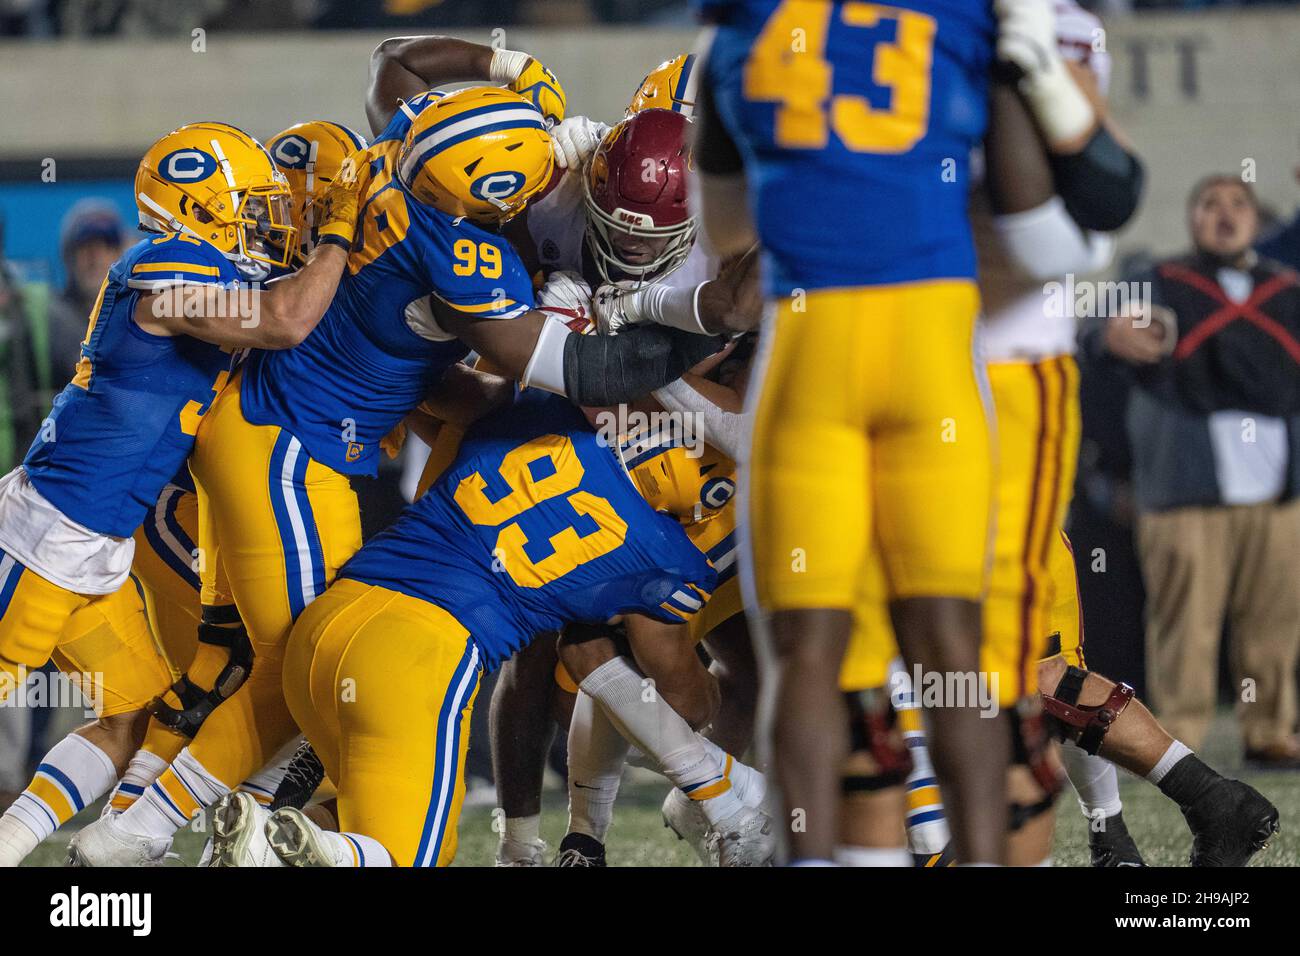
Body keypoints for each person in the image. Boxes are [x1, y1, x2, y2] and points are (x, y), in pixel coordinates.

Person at [1081, 174, 1300, 770]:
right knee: (1186, 624)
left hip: (1278, 490)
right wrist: (1108, 334)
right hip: (1184, 486)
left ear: (1256, 221)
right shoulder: (1157, 279)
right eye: (1209, 203)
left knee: (1274, 620)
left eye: (1238, 204)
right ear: (1190, 217)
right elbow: (1086, 331)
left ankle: (1271, 729)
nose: (1224, 214)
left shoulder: (1286, 287)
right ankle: (1178, 741)